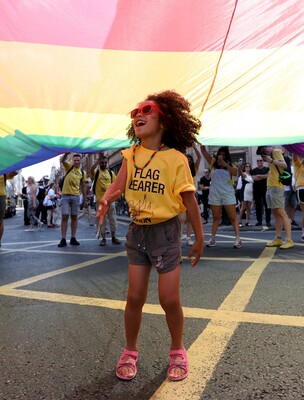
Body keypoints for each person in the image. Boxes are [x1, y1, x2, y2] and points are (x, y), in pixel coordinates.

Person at [96, 90, 204, 382]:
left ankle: (177, 350)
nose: (138, 115)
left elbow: (190, 200)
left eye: (146, 109)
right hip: (137, 232)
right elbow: (118, 186)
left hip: (165, 232)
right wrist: (106, 200)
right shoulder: (131, 155)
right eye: (135, 113)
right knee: (134, 296)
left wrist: (199, 237)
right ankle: (130, 350)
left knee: (169, 299)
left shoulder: (177, 159)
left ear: (165, 120)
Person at [199, 145, 242, 248]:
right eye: (220, 154)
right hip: (215, 194)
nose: (221, 156)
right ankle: (213, 239)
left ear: (226, 156)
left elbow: (235, 172)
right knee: (216, 217)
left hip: (227, 193)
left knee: (233, 217)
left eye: (223, 155)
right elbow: (203, 151)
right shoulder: (213, 163)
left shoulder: (231, 164)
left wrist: (225, 164)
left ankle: (237, 238)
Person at [258, 146, 294, 249]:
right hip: (270, 186)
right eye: (263, 152)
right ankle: (278, 238)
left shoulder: (276, 152)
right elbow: (272, 172)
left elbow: (285, 165)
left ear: (269, 146)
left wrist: (272, 160)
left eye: (265, 150)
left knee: (281, 212)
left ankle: (289, 240)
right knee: (276, 213)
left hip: (277, 186)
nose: (265, 152)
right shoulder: (271, 156)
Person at [90, 153, 121, 246]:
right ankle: (103, 239)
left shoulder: (111, 173)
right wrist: (97, 160)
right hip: (100, 202)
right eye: (102, 163)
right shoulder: (97, 173)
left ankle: (113, 237)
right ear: (99, 163)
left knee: (113, 219)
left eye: (105, 162)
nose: (103, 164)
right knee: (102, 221)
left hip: (110, 201)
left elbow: (115, 184)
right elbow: (91, 170)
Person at [58, 153, 87, 247]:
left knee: (74, 217)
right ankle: (63, 239)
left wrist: (85, 200)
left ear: (80, 161)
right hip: (65, 196)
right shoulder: (69, 166)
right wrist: (66, 153)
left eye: (78, 160)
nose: (76, 162)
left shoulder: (83, 173)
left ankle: (73, 238)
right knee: (65, 216)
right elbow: (62, 161)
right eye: (75, 160)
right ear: (72, 161)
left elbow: (83, 186)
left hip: (76, 196)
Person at [251, 157, 271, 229]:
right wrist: (263, 176)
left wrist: (259, 176)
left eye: (260, 161)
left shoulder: (266, 169)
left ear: (263, 161)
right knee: (258, 206)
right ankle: (259, 220)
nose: (259, 162)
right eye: (258, 161)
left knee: (267, 205)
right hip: (256, 190)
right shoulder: (253, 170)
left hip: (265, 189)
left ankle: (268, 221)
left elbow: (268, 176)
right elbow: (254, 178)